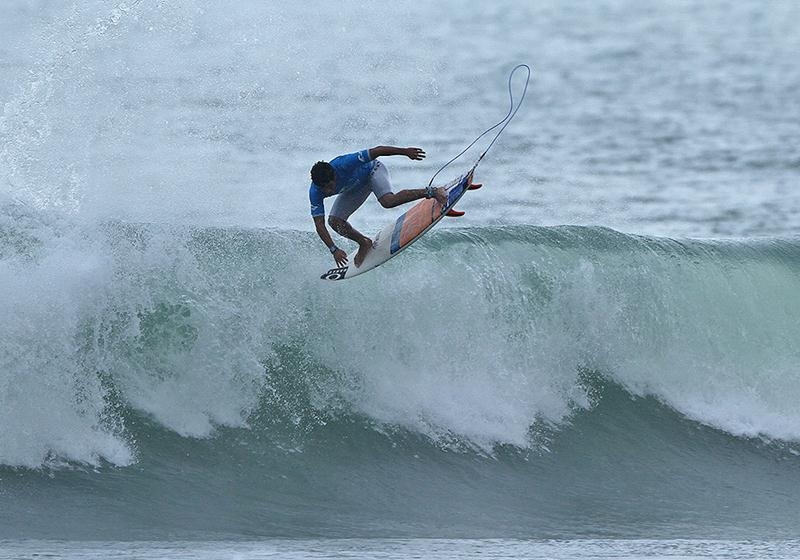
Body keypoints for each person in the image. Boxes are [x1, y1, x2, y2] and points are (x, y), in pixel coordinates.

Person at [309, 146, 447, 268]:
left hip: (373, 171)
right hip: (356, 187)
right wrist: (334, 249)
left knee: (387, 201)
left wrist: (405, 152)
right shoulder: (315, 192)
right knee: (334, 222)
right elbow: (319, 225)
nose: (328, 191)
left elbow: (377, 151)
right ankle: (364, 242)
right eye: (324, 188)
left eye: (330, 186)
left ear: (334, 175)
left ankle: (432, 191)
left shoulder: (344, 163)